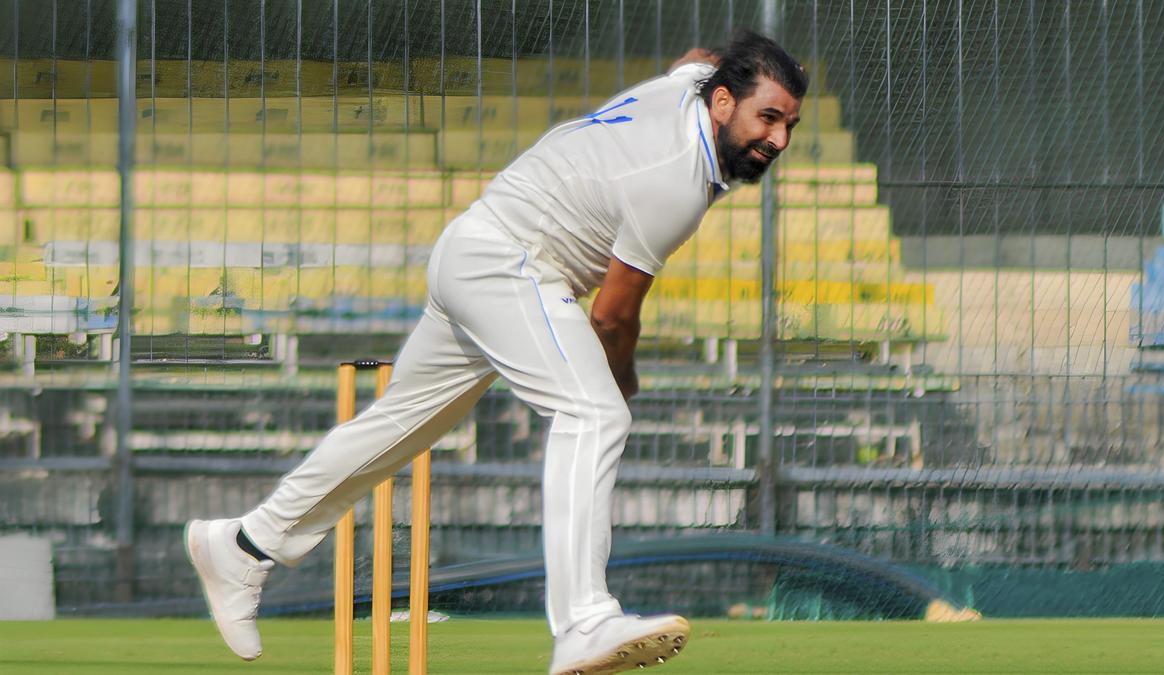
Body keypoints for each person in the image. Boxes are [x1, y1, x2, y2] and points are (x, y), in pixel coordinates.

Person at [186, 28, 806, 675]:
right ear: (723, 102)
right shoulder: (674, 179)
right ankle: (584, 621)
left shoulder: (691, 89)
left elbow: (694, 60)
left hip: (474, 249)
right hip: (510, 264)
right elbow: (612, 314)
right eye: (767, 118)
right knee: (595, 413)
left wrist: (733, 60)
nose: (779, 140)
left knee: (395, 429)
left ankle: (243, 544)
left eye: (789, 123)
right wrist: (621, 378)